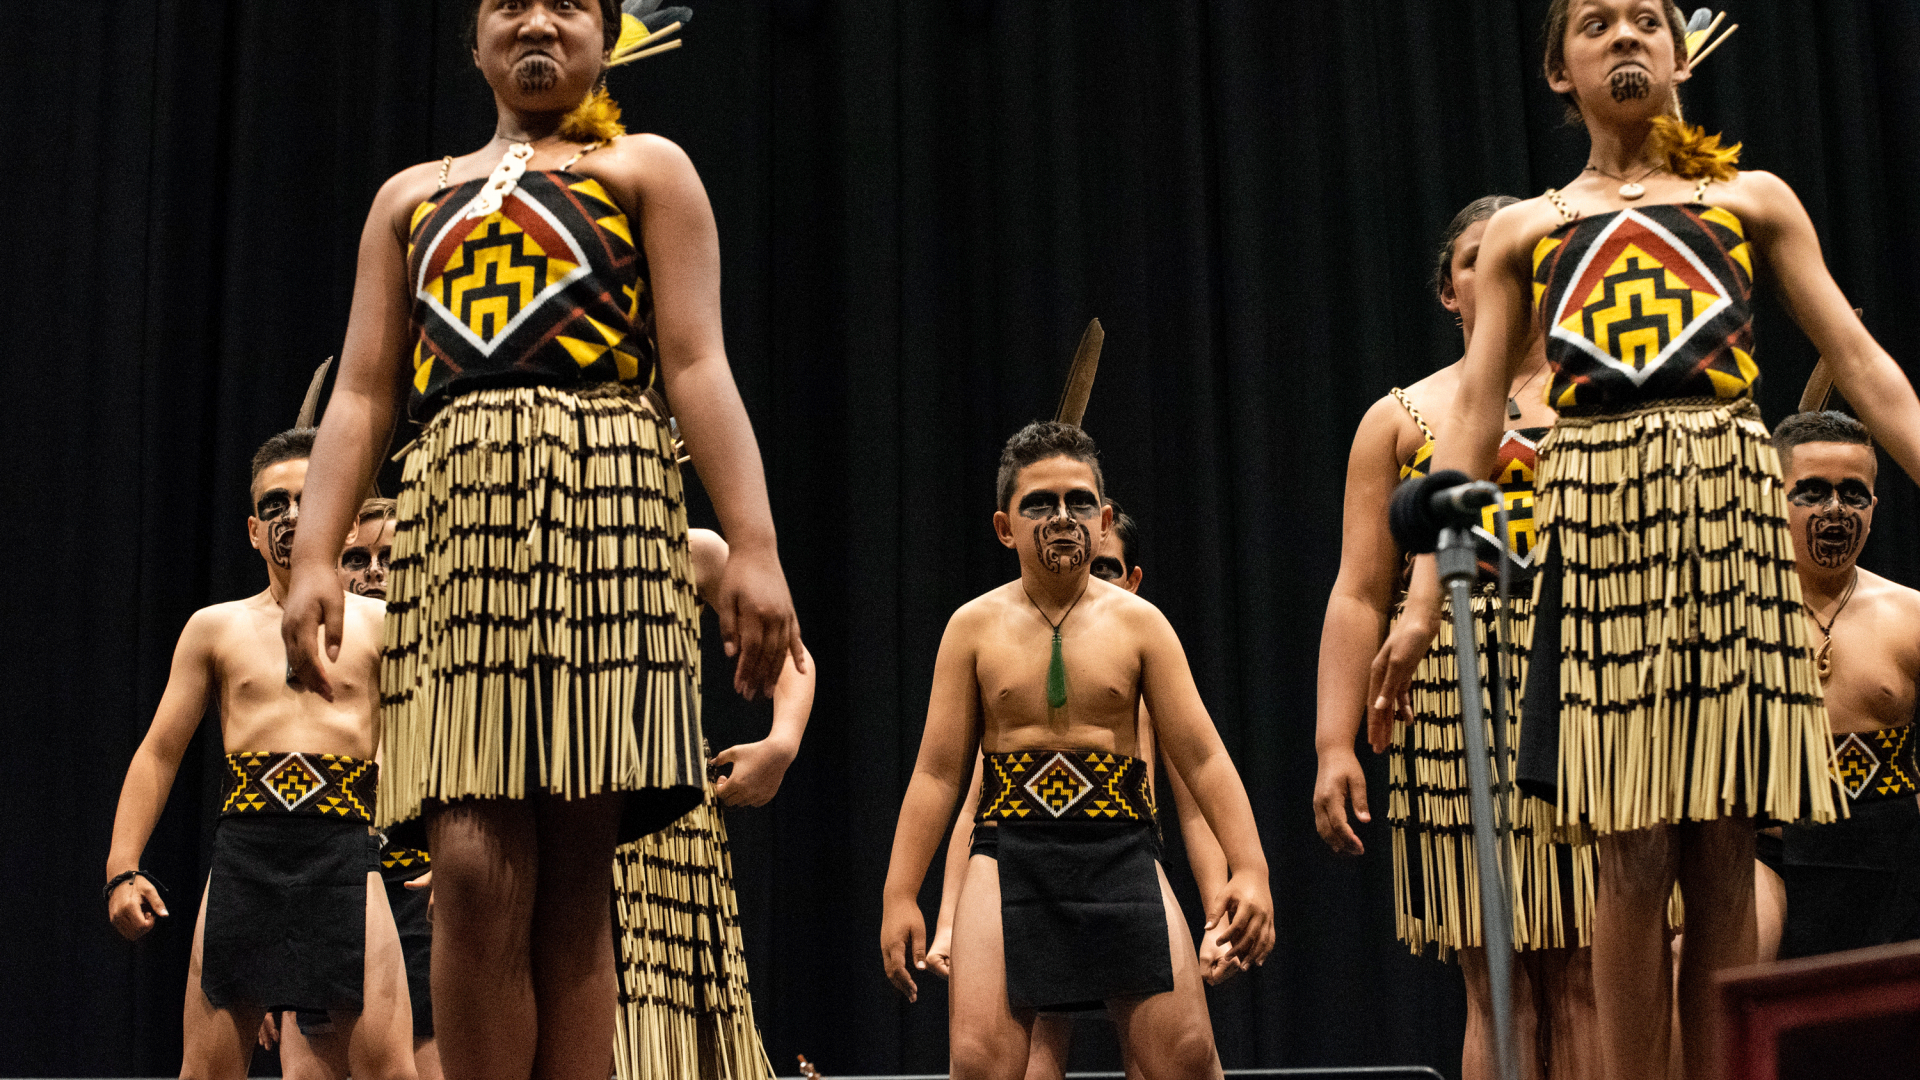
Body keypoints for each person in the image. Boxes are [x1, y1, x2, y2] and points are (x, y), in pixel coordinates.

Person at [1382, 3, 1920, 1075]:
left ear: (1678, 54)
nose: (1624, 38)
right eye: (1596, 24)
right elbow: (1478, 419)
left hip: (1725, 510)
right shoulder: (1531, 232)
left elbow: (1860, 362)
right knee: (1625, 843)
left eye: (1645, 21)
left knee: (1724, 840)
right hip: (1601, 523)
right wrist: (1417, 605)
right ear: (1557, 71)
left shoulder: (1749, 200)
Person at [277, 3, 804, 1078]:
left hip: (607, 509)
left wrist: (753, 543)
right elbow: (367, 392)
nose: (537, 21)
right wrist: (320, 552)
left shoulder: (645, 171)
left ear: (604, 38)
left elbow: (699, 367)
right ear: (473, 42)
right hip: (458, 517)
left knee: (574, 874)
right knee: (471, 863)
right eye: (510, 0)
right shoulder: (409, 200)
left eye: (566, 2)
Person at [880, 422, 1274, 1079]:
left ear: (1104, 517)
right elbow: (936, 774)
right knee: (980, 1062)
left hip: (1121, 849)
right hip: (1008, 850)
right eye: (1040, 503)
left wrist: (1251, 869)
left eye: (1079, 502)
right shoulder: (972, 629)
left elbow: (1203, 758)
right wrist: (900, 895)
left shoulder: (1141, 625)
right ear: (1006, 527)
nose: (1062, 517)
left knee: (1184, 1058)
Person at [1314, 196, 1596, 1080]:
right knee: (1497, 975)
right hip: (1450, 693)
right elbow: (1361, 591)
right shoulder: (1398, 418)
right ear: (1449, 289)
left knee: (1591, 971)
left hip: (1589, 676)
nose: (1506, 264)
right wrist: (1332, 742)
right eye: (1477, 255)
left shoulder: (1601, 397)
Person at [105, 429, 414, 1080]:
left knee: (392, 1071)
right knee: (207, 1071)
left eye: (310, 498)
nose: (294, 516)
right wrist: (121, 867)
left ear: (346, 517)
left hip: (347, 858)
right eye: (275, 504)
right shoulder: (215, 629)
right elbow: (159, 752)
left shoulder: (385, 627)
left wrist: (450, 850)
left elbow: (441, 744)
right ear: (251, 529)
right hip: (247, 859)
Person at [924, 498, 1236, 1080]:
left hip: (1125, 868)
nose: (1090, 579)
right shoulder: (1008, 677)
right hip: (1027, 869)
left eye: (1108, 569)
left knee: (1171, 1055)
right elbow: (965, 799)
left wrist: (1219, 910)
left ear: (1131, 579)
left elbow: (1196, 801)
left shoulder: (1144, 666)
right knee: (1037, 1055)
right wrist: (947, 920)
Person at [611, 524, 814, 1080]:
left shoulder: (686, 549)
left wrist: (781, 745)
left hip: (669, 836)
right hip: (554, 814)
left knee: (679, 1039)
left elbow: (791, 656)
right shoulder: (501, 547)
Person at [269, 495, 441, 1080]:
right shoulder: (307, 668)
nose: (373, 572)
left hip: (422, 896)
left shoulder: (453, 660)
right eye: (354, 557)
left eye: (390, 557)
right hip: (324, 888)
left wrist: (463, 865)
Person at [1755, 411, 1920, 961]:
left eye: (1853, 493)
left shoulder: (1911, 616)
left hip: (1892, 866)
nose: (1834, 510)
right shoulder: (1732, 617)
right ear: (1769, 501)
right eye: (1812, 492)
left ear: (1874, 507)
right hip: (1764, 857)